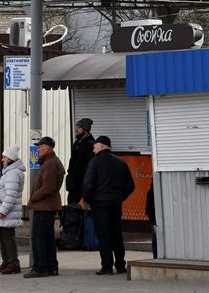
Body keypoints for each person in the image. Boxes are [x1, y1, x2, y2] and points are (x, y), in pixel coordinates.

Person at [83, 135, 136, 275]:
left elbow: (88, 184)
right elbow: (130, 186)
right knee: (116, 234)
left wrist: (89, 200)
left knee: (104, 234)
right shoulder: (121, 162)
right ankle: (120, 265)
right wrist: (120, 197)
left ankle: (107, 266)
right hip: (116, 204)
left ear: (101, 146)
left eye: (94, 147)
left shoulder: (94, 162)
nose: (93, 150)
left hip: (99, 204)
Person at [24, 136, 65, 279]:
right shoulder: (49, 162)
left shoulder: (50, 164)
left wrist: (33, 197)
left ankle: (40, 268)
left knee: (39, 238)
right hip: (46, 205)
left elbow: (48, 187)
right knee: (47, 237)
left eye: (40, 147)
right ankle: (50, 266)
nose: (38, 149)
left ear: (47, 148)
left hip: (44, 206)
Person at [0, 145, 26, 275]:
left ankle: (12, 263)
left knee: (7, 237)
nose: (2, 159)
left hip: (7, 212)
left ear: (11, 159)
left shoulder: (13, 173)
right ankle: (7, 261)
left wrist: (2, 211)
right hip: (6, 211)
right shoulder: (10, 172)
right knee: (3, 236)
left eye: (4, 157)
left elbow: (11, 194)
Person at [66, 118, 95, 205]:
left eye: (79, 127)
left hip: (82, 183)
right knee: (72, 207)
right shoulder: (77, 143)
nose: (76, 129)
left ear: (85, 130)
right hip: (73, 183)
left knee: (81, 209)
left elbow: (89, 164)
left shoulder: (90, 144)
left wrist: (81, 178)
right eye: (76, 127)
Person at [146, 180, 157, 259]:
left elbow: (149, 209)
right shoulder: (154, 192)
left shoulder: (151, 192)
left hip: (153, 218)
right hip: (155, 218)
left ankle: (156, 257)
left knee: (155, 239)